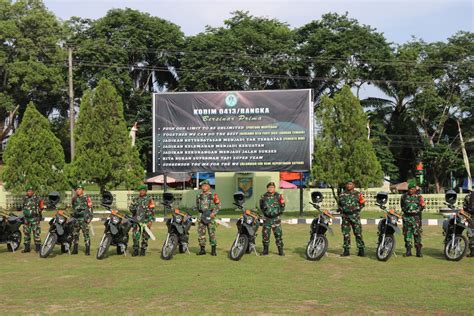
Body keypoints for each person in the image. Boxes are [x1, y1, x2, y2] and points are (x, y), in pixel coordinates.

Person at [339, 179, 366, 257]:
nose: (349, 185)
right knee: (346, 234)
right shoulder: (342, 194)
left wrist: (357, 210)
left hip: (355, 216)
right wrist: (341, 210)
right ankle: (346, 250)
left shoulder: (358, 194)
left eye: (350, 184)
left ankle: (361, 250)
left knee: (358, 233)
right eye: (347, 184)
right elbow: (340, 205)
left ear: (354, 185)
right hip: (345, 217)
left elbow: (362, 203)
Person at [400, 179, 425, 257]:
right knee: (407, 235)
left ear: (415, 189)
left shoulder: (419, 197)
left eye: (412, 189)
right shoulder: (404, 196)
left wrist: (416, 211)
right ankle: (408, 251)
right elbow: (402, 206)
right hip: (407, 219)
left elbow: (422, 206)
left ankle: (418, 251)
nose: (411, 190)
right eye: (409, 189)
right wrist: (407, 211)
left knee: (417, 235)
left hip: (416, 219)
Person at [259, 182, 285, 256]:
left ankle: (281, 251)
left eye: (272, 187)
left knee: (278, 235)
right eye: (269, 187)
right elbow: (261, 206)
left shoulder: (279, 196)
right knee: (265, 235)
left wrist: (278, 214)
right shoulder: (263, 196)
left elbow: (282, 206)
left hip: (276, 219)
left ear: (274, 188)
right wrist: (266, 214)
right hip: (267, 219)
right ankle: (265, 251)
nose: (270, 188)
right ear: (267, 188)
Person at [129, 184, 155, 256]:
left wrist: (150, 221)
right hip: (137, 221)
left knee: (145, 236)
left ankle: (143, 249)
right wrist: (132, 209)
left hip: (146, 221)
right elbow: (131, 208)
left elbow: (152, 211)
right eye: (140, 190)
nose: (142, 192)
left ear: (146, 191)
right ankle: (136, 250)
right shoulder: (135, 199)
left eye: (143, 190)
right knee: (135, 235)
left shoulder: (150, 200)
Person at [196, 180, 221, 256]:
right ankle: (202, 249)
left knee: (212, 233)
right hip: (201, 216)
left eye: (205, 185)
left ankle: (213, 250)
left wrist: (214, 213)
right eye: (202, 186)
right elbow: (197, 205)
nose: (204, 187)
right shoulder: (198, 195)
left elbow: (218, 205)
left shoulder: (213, 195)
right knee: (201, 233)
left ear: (209, 186)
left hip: (210, 216)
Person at [21, 184, 44, 253]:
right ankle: (27, 248)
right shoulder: (24, 198)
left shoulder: (38, 198)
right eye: (28, 191)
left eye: (31, 191)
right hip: (26, 219)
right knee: (26, 233)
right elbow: (23, 207)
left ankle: (38, 248)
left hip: (35, 219)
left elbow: (42, 206)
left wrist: (38, 212)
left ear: (33, 191)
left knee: (36, 233)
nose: (29, 192)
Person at [71, 184, 93, 255]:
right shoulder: (74, 198)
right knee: (75, 234)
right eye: (77, 189)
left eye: (79, 189)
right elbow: (73, 207)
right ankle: (75, 249)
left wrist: (90, 218)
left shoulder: (87, 198)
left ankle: (87, 250)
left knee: (86, 234)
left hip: (84, 219)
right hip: (76, 219)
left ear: (83, 190)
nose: (77, 190)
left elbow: (90, 208)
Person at [462, 189, 474, 257]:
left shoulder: (468, 196)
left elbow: (464, 208)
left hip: (471, 218)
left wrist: (466, 217)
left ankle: (472, 251)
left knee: (471, 233)